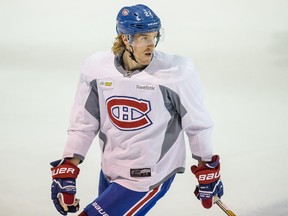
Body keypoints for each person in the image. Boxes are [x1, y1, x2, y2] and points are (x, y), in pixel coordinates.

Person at [50, 4, 224, 216]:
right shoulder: (97, 69)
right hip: (110, 170)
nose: (151, 44)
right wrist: (69, 165)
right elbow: (84, 123)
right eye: (143, 38)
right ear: (125, 39)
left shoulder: (175, 73)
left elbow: (197, 125)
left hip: (148, 178)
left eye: (154, 36)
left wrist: (207, 168)